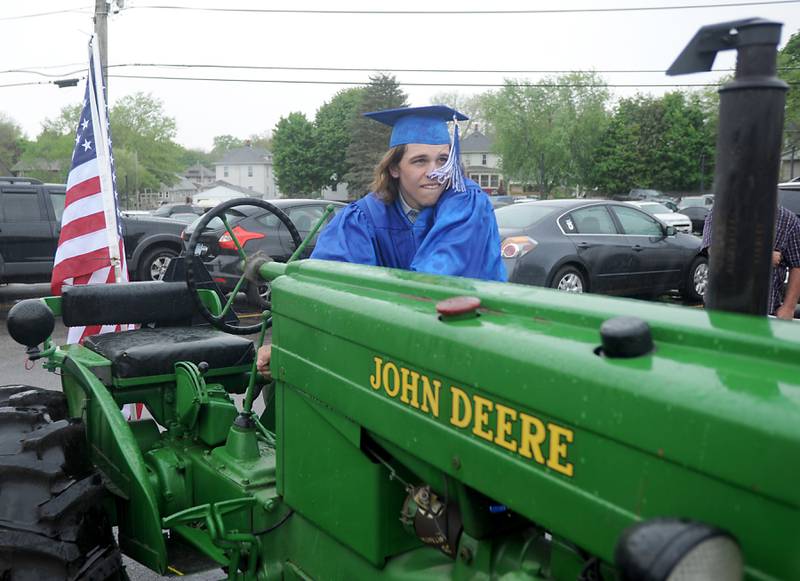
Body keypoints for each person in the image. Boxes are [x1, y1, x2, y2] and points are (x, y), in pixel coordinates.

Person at [257, 105, 506, 376]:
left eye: (443, 159)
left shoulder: (467, 204)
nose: (435, 172)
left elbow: (437, 285)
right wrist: (290, 343)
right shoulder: (362, 218)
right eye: (420, 161)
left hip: (465, 349)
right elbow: (329, 287)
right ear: (395, 168)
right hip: (392, 359)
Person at [701, 205, 800, 319]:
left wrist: (789, 307)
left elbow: (797, 265)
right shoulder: (722, 210)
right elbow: (715, 251)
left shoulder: (788, 221)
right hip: (721, 308)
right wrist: (763, 257)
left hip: (765, 313)